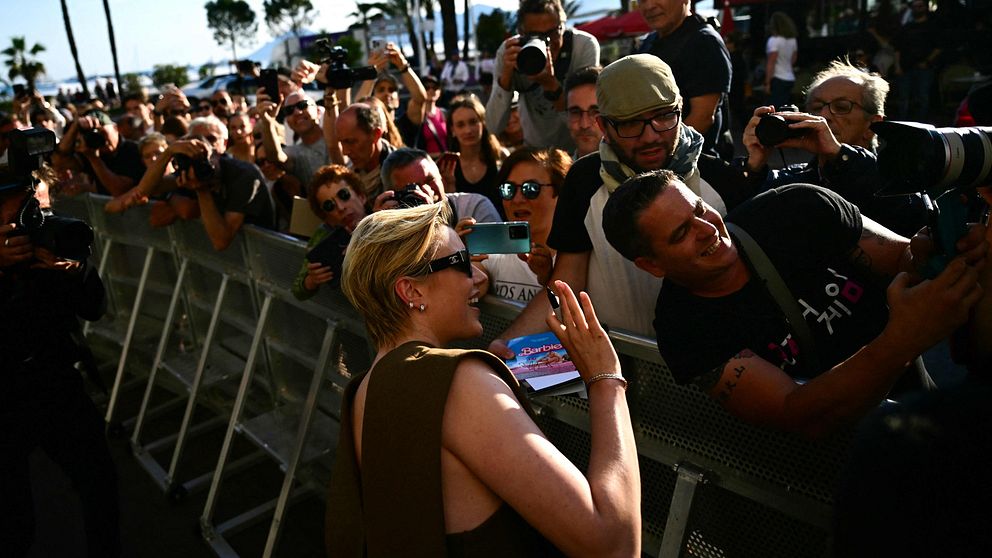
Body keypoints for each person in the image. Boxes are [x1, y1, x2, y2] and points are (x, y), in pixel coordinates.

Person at [325, 201, 640, 556]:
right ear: (411, 291)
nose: (477, 277)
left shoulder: (364, 388)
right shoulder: (458, 381)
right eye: (460, 264)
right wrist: (606, 379)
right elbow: (613, 545)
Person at [601, 171, 987, 437]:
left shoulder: (797, 209)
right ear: (651, 265)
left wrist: (934, 249)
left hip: (927, 417)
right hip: (835, 484)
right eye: (682, 233)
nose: (707, 230)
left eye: (699, 210)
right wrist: (902, 341)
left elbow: (903, 261)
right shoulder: (684, 329)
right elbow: (800, 415)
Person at [487, 54, 728, 356]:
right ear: (604, 125)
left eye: (664, 117)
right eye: (630, 124)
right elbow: (567, 283)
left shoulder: (722, 181)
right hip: (610, 365)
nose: (651, 135)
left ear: (680, 109)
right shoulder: (585, 180)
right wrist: (508, 345)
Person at [1, 164, 120, 557]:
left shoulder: (54, 244)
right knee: (15, 521)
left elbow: (96, 308)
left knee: (99, 485)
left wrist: (77, 271)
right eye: (28, 214)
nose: (40, 222)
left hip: (54, 379)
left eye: (45, 211)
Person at [740, 58, 928, 237]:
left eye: (841, 107)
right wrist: (753, 166)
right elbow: (736, 213)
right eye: (816, 107)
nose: (824, 116)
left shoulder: (898, 180)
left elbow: (914, 216)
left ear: (872, 126)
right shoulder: (793, 180)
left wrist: (840, 155)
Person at [105, 115, 275, 250]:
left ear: (218, 153)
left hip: (266, 252)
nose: (202, 159)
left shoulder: (243, 175)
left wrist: (201, 190)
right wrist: (169, 152)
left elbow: (221, 241)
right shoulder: (189, 169)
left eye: (209, 142)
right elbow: (145, 190)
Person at [486, 0, 600, 151]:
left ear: (563, 26)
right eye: (535, 36)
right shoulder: (511, 51)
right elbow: (494, 126)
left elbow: (585, 121)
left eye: (552, 33)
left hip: (576, 151)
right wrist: (506, 77)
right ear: (521, 33)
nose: (546, 43)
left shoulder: (583, 46)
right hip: (535, 150)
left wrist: (551, 85)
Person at [636, 0, 734, 158]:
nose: (649, 6)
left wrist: (664, 158)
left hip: (692, 166)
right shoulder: (649, 42)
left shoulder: (703, 41)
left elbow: (702, 118)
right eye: (642, 0)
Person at [474, 147, 571, 302]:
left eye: (531, 189)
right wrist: (458, 261)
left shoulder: (580, 261)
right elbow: (473, 286)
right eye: (508, 189)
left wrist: (547, 277)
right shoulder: (492, 254)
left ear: (561, 193)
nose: (517, 199)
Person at [293, 165, 369, 300]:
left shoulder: (385, 218)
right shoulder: (323, 237)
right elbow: (297, 290)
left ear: (361, 196)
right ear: (326, 218)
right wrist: (311, 280)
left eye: (343, 195)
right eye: (329, 206)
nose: (340, 207)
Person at [378, 147, 501, 227]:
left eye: (430, 180)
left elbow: (496, 262)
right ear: (393, 197)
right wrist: (378, 229)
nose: (425, 192)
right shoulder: (390, 226)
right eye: (413, 189)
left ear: (441, 176)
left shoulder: (474, 208)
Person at [53, 109, 146, 197]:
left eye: (102, 132)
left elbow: (120, 191)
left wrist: (94, 159)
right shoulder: (91, 151)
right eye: (94, 134)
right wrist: (74, 127)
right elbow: (58, 161)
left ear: (115, 128)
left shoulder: (134, 150)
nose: (100, 138)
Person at [258, 90, 330, 189]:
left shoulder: (337, 135)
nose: (297, 112)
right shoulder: (294, 153)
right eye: (289, 110)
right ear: (287, 122)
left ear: (318, 111)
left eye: (302, 105)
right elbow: (275, 157)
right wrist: (268, 121)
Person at [446, 94, 507, 213]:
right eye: (460, 125)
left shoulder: (501, 156)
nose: (468, 130)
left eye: (473, 122)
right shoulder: (448, 164)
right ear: (452, 130)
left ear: (483, 123)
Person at [333, 103, 397, 199]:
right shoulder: (349, 175)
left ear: (375, 134)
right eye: (341, 142)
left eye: (351, 142)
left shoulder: (400, 173)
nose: (345, 152)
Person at [893, 0, 942, 121]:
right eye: (915, 6)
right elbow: (897, 48)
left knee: (923, 97)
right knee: (904, 98)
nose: (917, 9)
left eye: (920, 6)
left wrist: (927, 62)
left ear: (926, 8)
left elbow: (938, 47)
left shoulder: (932, 26)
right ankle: (902, 122)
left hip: (924, 67)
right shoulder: (906, 28)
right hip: (906, 67)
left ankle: (921, 123)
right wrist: (898, 66)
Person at [563, 65, 602, 160]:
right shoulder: (561, 173)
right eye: (576, 112)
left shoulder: (633, 171)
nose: (584, 125)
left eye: (595, 112)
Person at [763, 12, 799, 108]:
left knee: (773, 108)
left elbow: (771, 62)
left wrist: (767, 82)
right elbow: (793, 59)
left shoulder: (773, 40)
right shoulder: (793, 40)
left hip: (778, 78)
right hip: (790, 77)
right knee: (785, 107)